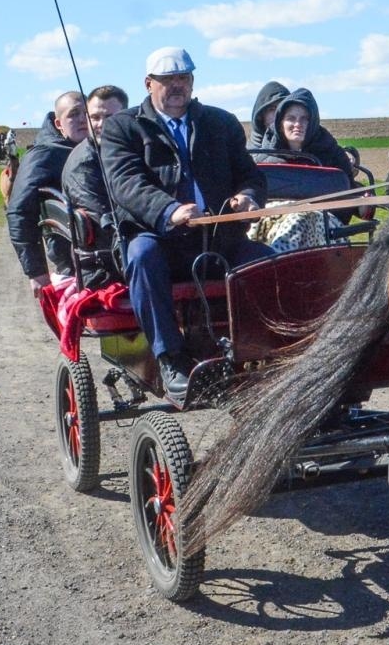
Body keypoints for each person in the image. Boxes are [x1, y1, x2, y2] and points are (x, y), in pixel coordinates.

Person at [100, 47, 271, 401]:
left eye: (183, 78)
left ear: (192, 82)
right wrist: (169, 211)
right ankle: (170, 358)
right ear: (149, 84)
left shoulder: (220, 123)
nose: (177, 86)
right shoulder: (123, 128)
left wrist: (248, 195)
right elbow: (127, 184)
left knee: (268, 261)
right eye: (167, 79)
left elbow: (249, 173)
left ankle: (263, 351)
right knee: (142, 256)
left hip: (217, 240)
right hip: (159, 239)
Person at [7, 90, 89, 291]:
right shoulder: (45, 154)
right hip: (73, 259)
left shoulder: (103, 146)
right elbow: (19, 210)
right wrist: (36, 271)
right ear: (59, 123)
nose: (82, 120)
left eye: (87, 113)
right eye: (73, 114)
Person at [62, 84, 128, 219]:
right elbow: (103, 221)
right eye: (95, 117)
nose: (101, 124)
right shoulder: (83, 166)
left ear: (127, 117)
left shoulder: (131, 150)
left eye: (110, 117)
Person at [257, 88, 354, 177]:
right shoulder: (262, 157)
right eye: (291, 118)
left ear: (313, 123)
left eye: (305, 119)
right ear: (280, 124)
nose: (298, 124)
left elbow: (349, 189)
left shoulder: (333, 156)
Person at [249, 80, 290, 145]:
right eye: (272, 109)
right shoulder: (243, 153)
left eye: (283, 108)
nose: (279, 114)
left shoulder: (304, 152)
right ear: (261, 116)